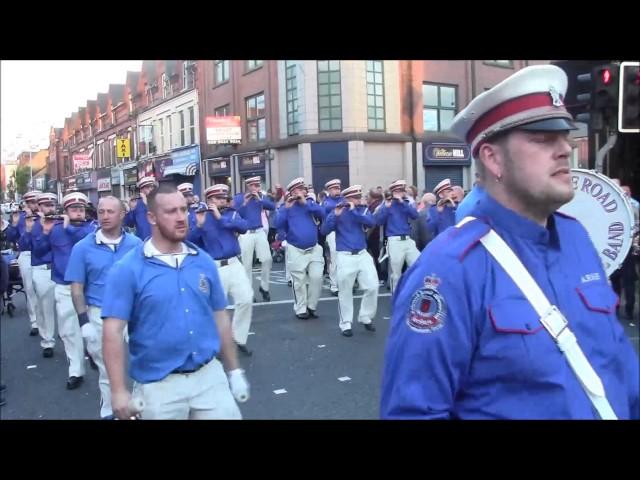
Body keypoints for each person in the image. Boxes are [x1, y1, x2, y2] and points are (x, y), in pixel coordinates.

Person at [381, 64, 639, 420]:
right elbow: (415, 412)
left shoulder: (577, 237)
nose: (565, 149)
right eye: (543, 138)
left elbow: (620, 367)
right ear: (493, 158)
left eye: (564, 136)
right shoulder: (449, 269)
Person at [101, 183, 249, 420]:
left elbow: (220, 317)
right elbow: (112, 331)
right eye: (171, 212)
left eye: (183, 209)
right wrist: (118, 391)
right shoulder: (127, 269)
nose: (181, 218)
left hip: (209, 378)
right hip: (158, 385)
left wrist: (234, 370)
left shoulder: (203, 261)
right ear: (151, 217)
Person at [65, 196, 142, 419]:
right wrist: (84, 323)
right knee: (109, 370)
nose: (105, 216)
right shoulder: (82, 248)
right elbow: (77, 288)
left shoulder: (136, 245)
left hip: (134, 313)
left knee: (140, 365)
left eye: (110, 211)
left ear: (121, 215)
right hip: (101, 315)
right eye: (101, 212)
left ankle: (136, 409)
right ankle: (110, 412)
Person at [31, 192, 96, 389]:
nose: (78, 213)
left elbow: (82, 240)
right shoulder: (56, 228)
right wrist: (44, 232)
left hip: (89, 287)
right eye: (73, 209)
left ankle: (94, 354)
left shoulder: (92, 228)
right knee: (68, 331)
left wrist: (68, 228)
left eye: (81, 209)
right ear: (66, 210)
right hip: (64, 285)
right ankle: (76, 370)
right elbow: (40, 251)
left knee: (94, 329)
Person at [189, 184, 254, 357]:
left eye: (224, 198)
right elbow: (189, 242)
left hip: (234, 263)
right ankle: (215, 343)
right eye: (218, 198)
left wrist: (221, 218)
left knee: (246, 299)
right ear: (209, 200)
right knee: (215, 309)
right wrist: (200, 225)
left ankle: (238, 338)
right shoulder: (199, 216)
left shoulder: (230, 213)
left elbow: (243, 227)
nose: (223, 201)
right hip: (214, 267)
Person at [320, 185, 378, 337]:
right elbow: (324, 231)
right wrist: (335, 215)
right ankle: (346, 323)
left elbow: (371, 223)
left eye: (359, 197)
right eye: (355, 198)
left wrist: (354, 210)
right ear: (347, 199)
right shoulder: (338, 211)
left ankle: (365, 316)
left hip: (362, 254)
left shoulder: (363, 210)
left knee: (372, 286)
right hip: (345, 255)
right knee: (345, 291)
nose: (358, 200)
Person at [275, 178, 326, 320]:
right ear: (291, 192)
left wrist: (306, 203)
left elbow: (322, 213)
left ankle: (312, 306)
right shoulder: (286, 206)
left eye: (303, 189)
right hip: (296, 248)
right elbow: (278, 224)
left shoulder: (310, 203)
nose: (302, 191)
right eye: (298, 190)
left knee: (317, 277)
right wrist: (286, 208)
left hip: (314, 248)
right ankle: (301, 308)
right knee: (299, 281)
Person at [18, 193, 58, 358]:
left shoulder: (62, 222)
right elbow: (24, 246)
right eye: (46, 205)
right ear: (39, 207)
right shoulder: (32, 223)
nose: (50, 208)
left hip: (62, 271)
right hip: (42, 269)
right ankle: (47, 340)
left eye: (52, 205)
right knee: (45, 308)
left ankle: (71, 337)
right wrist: (28, 231)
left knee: (68, 311)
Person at [5, 190, 41, 336]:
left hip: (44, 255)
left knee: (46, 292)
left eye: (36, 202)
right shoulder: (19, 217)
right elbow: (11, 238)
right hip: (26, 254)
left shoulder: (45, 217)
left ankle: (47, 321)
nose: (34, 205)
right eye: (31, 202)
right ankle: (35, 322)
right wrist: (14, 224)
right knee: (30, 289)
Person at [232, 177, 275, 302]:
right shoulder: (239, 198)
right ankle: (249, 292)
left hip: (259, 230)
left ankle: (264, 287)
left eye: (258, 185)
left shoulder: (260, 197)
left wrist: (260, 200)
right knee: (247, 264)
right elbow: (235, 214)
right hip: (246, 233)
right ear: (249, 186)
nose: (257, 188)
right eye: (255, 185)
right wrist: (244, 204)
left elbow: (272, 206)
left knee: (267, 259)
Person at [374, 180, 420, 294]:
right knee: (396, 273)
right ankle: (395, 297)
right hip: (394, 240)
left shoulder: (406, 203)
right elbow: (379, 221)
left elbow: (415, 215)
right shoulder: (386, 205)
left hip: (408, 240)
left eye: (402, 191)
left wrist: (402, 202)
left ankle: (415, 291)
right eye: (398, 191)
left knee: (418, 264)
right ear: (393, 192)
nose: (401, 193)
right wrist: (386, 207)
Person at [321, 179, 344, 296]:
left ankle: (343, 283)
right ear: (329, 190)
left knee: (344, 259)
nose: (337, 190)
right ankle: (334, 285)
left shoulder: (343, 199)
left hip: (344, 231)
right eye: (334, 188)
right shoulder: (327, 202)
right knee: (334, 259)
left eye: (338, 188)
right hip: (332, 232)